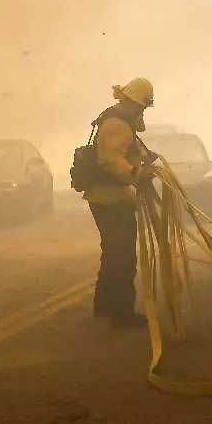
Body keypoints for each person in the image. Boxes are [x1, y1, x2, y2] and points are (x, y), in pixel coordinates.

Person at [83, 78, 158, 328]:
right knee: (123, 257)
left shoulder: (120, 121)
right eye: (141, 107)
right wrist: (138, 175)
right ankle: (122, 314)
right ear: (132, 103)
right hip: (111, 198)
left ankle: (104, 306)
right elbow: (113, 159)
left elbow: (127, 148)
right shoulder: (117, 123)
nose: (142, 112)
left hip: (107, 197)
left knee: (113, 253)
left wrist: (144, 158)